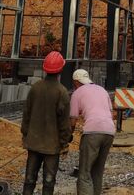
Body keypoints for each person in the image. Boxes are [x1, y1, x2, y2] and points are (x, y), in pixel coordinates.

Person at [21, 50, 71, 195]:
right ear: (61, 69)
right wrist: (64, 143)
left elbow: (26, 113)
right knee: (49, 181)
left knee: (29, 179)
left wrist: (25, 134)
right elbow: (64, 122)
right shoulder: (62, 92)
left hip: (33, 142)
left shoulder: (35, 88)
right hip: (52, 146)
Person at [70, 68, 116, 195]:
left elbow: (73, 119)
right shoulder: (102, 90)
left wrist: (69, 135)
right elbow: (111, 113)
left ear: (76, 82)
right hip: (109, 132)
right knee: (97, 171)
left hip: (92, 133)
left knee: (85, 172)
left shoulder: (77, 93)